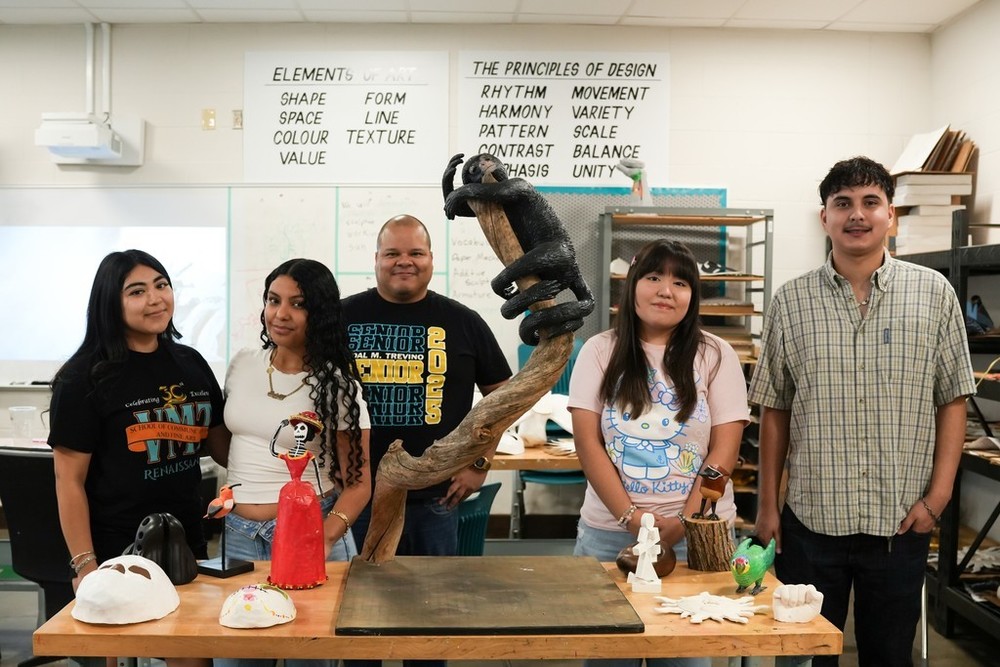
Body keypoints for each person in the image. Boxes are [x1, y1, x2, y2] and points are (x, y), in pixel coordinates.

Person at [748, 156, 976, 667]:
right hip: (811, 522)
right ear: (824, 217)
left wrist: (937, 499)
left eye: (871, 202)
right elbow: (775, 409)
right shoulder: (791, 301)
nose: (857, 214)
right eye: (843, 203)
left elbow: (953, 400)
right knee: (804, 657)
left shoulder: (934, 294)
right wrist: (767, 506)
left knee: (889, 657)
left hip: (900, 522)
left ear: (890, 214)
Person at [568, 239, 748, 667]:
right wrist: (631, 518)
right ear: (632, 285)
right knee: (608, 656)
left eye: (680, 282)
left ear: (692, 295)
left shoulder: (715, 355)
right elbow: (588, 444)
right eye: (653, 277)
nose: (666, 290)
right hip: (610, 535)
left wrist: (683, 522)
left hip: (698, 540)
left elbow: (725, 447)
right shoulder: (599, 351)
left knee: (686, 658)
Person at [341, 214, 511, 667]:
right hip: (356, 499)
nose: (405, 262)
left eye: (415, 252)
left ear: (432, 259)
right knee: (358, 623)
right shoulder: (340, 318)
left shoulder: (463, 322)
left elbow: (503, 397)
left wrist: (479, 463)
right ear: (376, 260)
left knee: (430, 621)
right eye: (393, 253)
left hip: (435, 500)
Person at [48, 249, 227, 667]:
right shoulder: (83, 377)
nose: (155, 299)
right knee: (125, 656)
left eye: (162, 285)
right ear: (110, 303)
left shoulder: (191, 363)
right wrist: (85, 566)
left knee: (190, 654)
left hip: (186, 542)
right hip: (116, 552)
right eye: (137, 291)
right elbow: (68, 481)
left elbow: (223, 448)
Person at [218, 258, 371, 667]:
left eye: (297, 304)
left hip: (307, 531)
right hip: (238, 535)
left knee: (309, 658)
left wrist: (323, 537)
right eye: (273, 300)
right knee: (239, 659)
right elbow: (237, 442)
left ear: (319, 313)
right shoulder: (243, 363)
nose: (280, 314)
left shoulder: (337, 385)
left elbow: (358, 483)